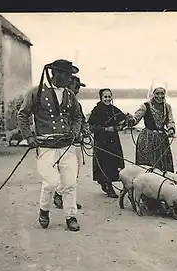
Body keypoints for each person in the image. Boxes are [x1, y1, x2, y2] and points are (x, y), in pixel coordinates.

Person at [17, 59, 83, 231]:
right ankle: (44, 210)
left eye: (70, 75)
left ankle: (71, 216)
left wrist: (75, 132)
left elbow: (78, 116)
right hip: (45, 145)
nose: (69, 79)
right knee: (51, 182)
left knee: (69, 183)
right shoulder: (36, 92)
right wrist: (29, 137)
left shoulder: (69, 95)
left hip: (67, 145)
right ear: (56, 74)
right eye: (66, 75)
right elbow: (23, 115)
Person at [53, 75, 89, 210]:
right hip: (65, 142)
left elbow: (81, 119)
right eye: (76, 86)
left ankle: (63, 196)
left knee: (74, 172)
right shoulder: (61, 102)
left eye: (79, 87)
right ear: (68, 85)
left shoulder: (76, 103)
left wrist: (85, 129)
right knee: (69, 172)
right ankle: (59, 195)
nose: (78, 89)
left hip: (76, 142)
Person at [87, 88, 127, 198]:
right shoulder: (97, 110)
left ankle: (108, 183)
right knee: (104, 163)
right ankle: (107, 186)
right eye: (105, 97)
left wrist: (123, 124)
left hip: (113, 140)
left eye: (109, 96)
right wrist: (105, 129)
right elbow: (91, 127)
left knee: (115, 162)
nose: (108, 99)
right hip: (101, 141)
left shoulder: (114, 109)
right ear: (101, 98)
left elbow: (123, 119)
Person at [126, 85, 176, 172]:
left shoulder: (167, 107)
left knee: (163, 167)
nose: (159, 96)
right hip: (147, 139)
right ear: (152, 94)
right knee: (147, 166)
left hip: (162, 140)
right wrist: (131, 120)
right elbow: (136, 118)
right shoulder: (145, 105)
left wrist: (171, 129)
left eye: (162, 94)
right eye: (157, 93)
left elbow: (170, 121)